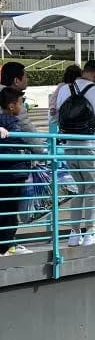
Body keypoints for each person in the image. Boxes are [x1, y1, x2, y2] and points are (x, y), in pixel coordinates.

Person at [55, 60, 95, 247]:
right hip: (91, 145)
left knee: (78, 190)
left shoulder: (65, 89)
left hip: (69, 145)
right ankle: (90, 233)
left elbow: (56, 117)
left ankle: (74, 233)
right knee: (92, 189)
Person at [0, 88, 33, 255]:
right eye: (21, 103)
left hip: (7, 174)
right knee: (11, 211)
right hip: (13, 173)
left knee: (6, 209)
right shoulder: (11, 123)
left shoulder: (4, 121)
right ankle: (6, 246)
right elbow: (21, 143)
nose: (23, 106)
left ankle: (7, 244)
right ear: (12, 106)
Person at [0, 61, 43, 150]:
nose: (27, 80)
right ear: (16, 81)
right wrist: (42, 151)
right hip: (9, 155)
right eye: (25, 77)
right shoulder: (12, 98)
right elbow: (27, 130)